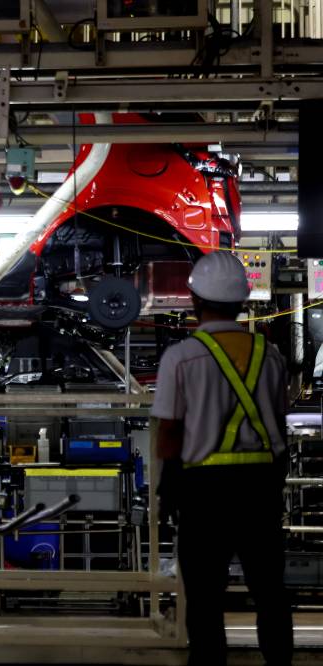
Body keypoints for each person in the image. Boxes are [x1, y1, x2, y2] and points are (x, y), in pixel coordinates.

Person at [152, 251, 293, 666]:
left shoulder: (180, 357)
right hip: (260, 489)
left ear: (195, 300)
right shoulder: (271, 355)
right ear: (242, 301)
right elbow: (279, 426)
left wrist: (167, 493)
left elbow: (169, 433)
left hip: (204, 494)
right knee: (269, 592)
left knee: (205, 598)